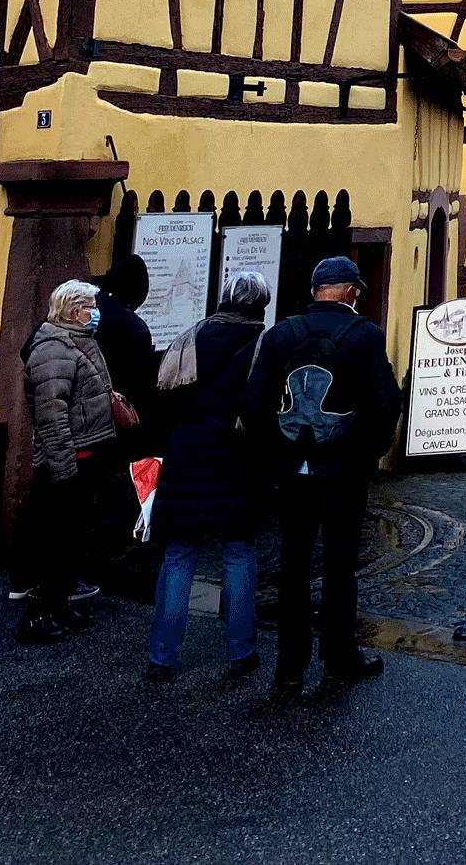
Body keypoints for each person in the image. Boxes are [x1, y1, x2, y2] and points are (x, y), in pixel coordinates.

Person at [243, 255, 401, 697]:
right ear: (349, 290)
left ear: (315, 290)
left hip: (293, 470)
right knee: (340, 564)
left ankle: (289, 668)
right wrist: (368, 452)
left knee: (293, 565)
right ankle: (338, 659)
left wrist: (276, 455)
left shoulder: (280, 334)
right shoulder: (364, 335)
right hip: (343, 469)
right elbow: (387, 401)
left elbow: (253, 404)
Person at [145, 269, 272, 684]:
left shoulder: (191, 336)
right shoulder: (263, 344)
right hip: (237, 457)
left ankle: (161, 656)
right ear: (260, 305)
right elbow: (263, 407)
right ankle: (241, 651)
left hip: (188, 453)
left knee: (180, 555)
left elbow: (163, 400)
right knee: (238, 554)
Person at [12, 280, 117, 645]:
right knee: (53, 540)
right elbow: (51, 419)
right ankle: (37, 615)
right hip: (67, 462)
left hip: (84, 456)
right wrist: (64, 470)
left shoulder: (78, 341)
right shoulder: (53, 350)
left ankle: (59, 604)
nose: (96, 311)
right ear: (74, 311)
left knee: (70, 539)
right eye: (90, 306)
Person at [90, 254, 160, 567]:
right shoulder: (132, 326)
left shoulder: (86, 312)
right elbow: (143, 380)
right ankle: (105, 553)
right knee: (112, 485)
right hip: (117, 418)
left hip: (76, 415)